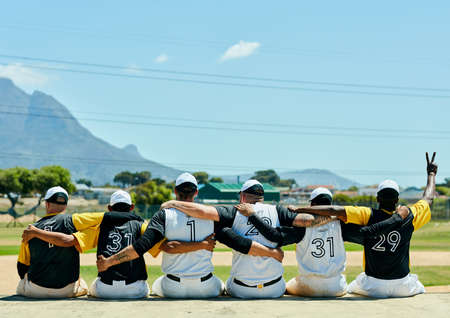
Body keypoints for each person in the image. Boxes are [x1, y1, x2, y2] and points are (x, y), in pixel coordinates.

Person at [97, 174, 284, 299]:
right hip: (206, 287)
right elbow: (240, 243)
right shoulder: (211, 216)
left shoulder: (164, 214)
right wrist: (271, 251)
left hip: (172, 286)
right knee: (224, 285)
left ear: (175, 191)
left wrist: (109, 262)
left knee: (154, 286)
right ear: (196, 192)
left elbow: (141, 247)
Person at [287, 152, 437, 298]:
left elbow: (334, 210)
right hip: (403, 285)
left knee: (352, 285)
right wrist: (431, 174)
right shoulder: (409, 215)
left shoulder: (367, 214)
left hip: (373, 286)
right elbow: (428, 199)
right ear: (397, 199)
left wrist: (300, 209)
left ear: (378, 198)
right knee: (419, 286)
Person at [156, 180, 332, 299]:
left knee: (224, 285)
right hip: (274, 289)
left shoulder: (234, 211)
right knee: (286, 283)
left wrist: (173, 204)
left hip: (241, 289)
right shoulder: (277, 210)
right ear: (261, 197)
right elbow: (308, 221)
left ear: (242, 196)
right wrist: (333, 216)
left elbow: (202, 212)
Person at [235, 187, 408, 297]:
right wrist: (396, 220)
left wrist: (253, 216)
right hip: (336, 287)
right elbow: (368, 236)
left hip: (308, 286)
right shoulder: (342, 225)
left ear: (312, 204)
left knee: (284, 286)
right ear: (329, 204)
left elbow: (275, 236)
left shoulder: (301, 226)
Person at [19, 187, 145, 298]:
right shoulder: (73, 219)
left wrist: (37, 233)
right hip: (67, 290)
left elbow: (21, 267)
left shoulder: (31, 229)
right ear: (66, 205)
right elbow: (106, 216)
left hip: (35, 290)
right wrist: (136, 218)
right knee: (82, 283)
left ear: (46, 204)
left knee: (22, 282)